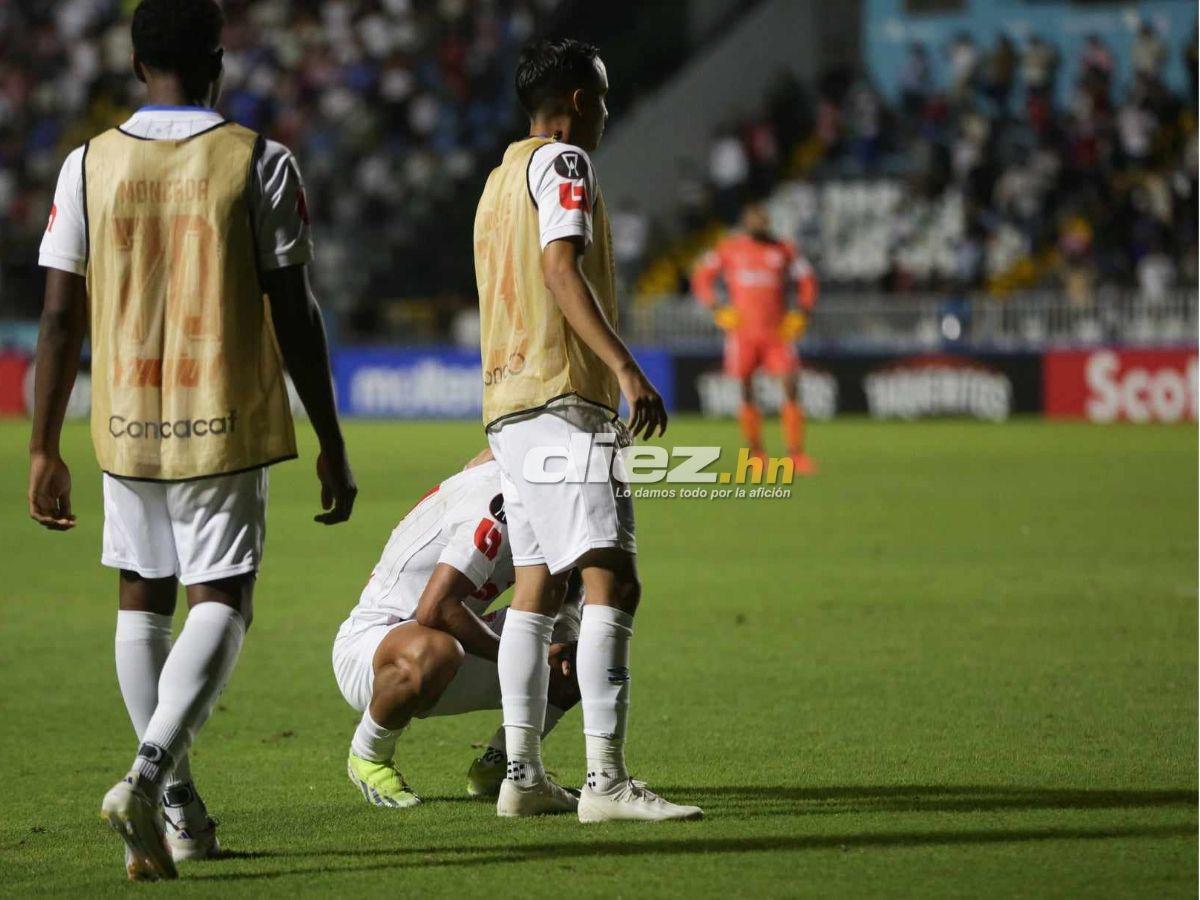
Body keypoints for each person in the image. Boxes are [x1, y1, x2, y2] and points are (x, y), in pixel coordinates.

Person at [28, 0, 356, 881]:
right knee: (223, 599)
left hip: (125, 420)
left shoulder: (86, 165)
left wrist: (42, 446)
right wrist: (329, 434)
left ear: (137, 64)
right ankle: (148, 775)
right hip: (223, 418)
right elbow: (296, 310)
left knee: (142, 602)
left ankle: (177, 812)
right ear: (219, 62)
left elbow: (58, 319)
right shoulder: (259, 161)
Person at [473, 37, 700, 822]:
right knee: (613, 578)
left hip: (508, 405)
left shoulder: (496, 182)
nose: (605, 111)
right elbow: (560, 266)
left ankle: (524, 774)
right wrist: (626, 368)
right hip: (565, 401)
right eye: (600, 97)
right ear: (573, 101)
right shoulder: (563, 164)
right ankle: (605, 782)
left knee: (535, 592)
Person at [332, 450, 582, 807]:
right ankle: (368, 754)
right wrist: (521, 654)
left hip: (455, 643)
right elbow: (435, 609)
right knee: (436, 649)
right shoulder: (498, 503)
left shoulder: (547, 486)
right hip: (375, 650)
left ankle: (504, 766)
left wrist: (565, 630)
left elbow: (577, 571)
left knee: (584, 651)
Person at [691, 202, 818, 473]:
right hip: (742, 334)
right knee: (746, 390)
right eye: (756, 221)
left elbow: (807, 280)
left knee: (791, 384)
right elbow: (702, 277)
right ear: (746, 223)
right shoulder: (729, 248)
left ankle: (796, 454)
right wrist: (717, 307)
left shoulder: (783, 249)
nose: (761, 225)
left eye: (764, 220)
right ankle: (755, 453)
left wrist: (802, 312)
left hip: (777, 333)